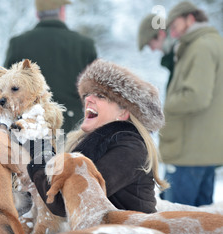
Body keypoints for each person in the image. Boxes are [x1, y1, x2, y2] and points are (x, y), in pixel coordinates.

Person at [27, 59, 168, 215]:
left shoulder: (129, 149)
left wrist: (40, 153)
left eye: (100, 96)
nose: (88, 99)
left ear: (123, 113)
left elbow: (64, 202)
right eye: (87, 94)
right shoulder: (94, 142)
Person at [159, 1, 223, 206]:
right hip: (202, 149)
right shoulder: (210, 43)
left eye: (175, 26)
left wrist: (164, 107)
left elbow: (196, 96)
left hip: (188, 151)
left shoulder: (201, 46)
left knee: (176, 222)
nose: (174, 32)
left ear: (191, 18)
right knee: (200, 224)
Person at [4, 0, 97, 135]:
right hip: (72, 130)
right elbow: (95, 93)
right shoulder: (84, 45)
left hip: (29, 130)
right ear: (62, 11)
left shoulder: (18, 44)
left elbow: (5, 92)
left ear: (37, 14)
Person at [138, 13, 176, 90]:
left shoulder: (182, 55)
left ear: (161, 34)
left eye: (150, 44)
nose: (152, 49)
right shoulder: (175, 58)